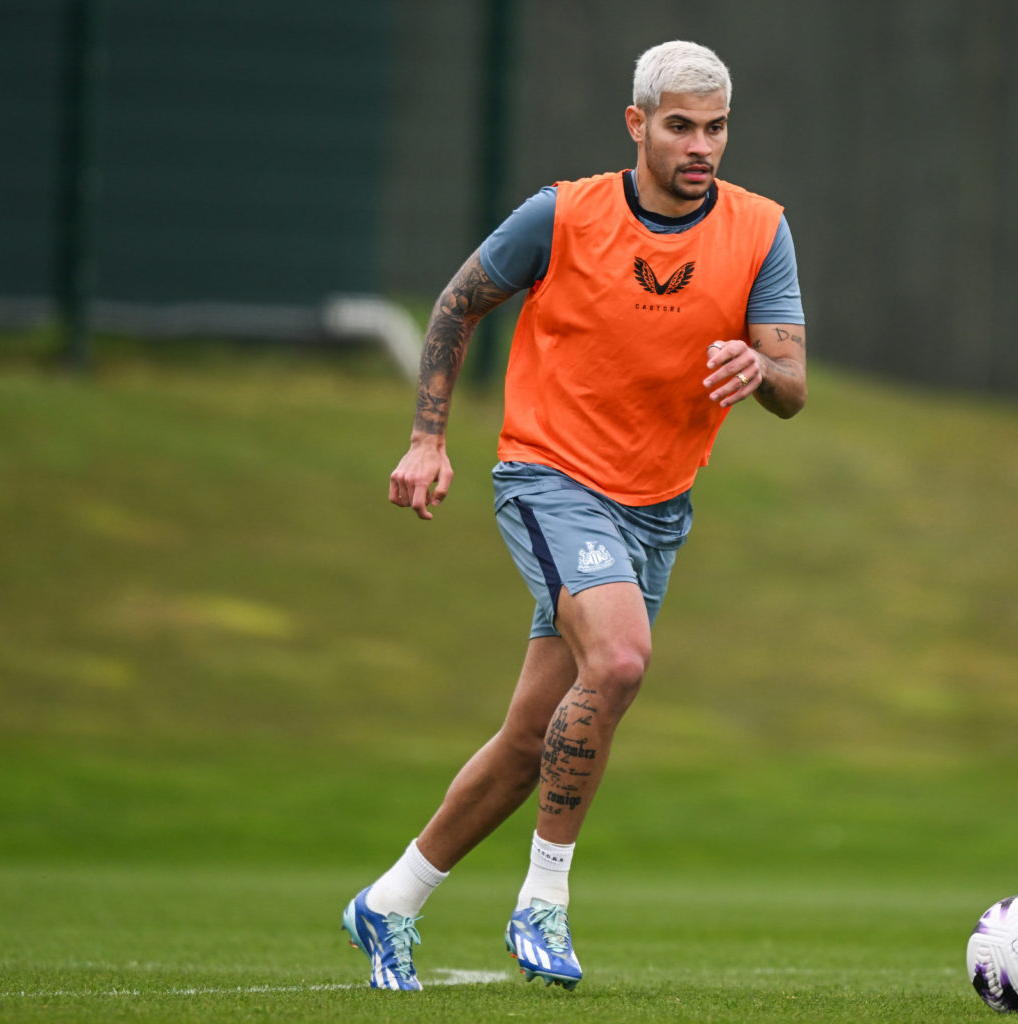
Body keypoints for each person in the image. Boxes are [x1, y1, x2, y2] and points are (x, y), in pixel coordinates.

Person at [340, 40, 807, 992]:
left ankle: (387, 903)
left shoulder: (761, 230)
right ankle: (542, 904)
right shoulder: (564, 213)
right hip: (550, 476)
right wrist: (428, 440)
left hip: (658, 506)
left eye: (716, 128)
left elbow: (793, 383)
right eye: (680, 126)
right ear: (636, 124)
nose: (701, 146)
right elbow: (456, 305)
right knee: (622, 661)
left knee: (530, 739)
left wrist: (761, 372)